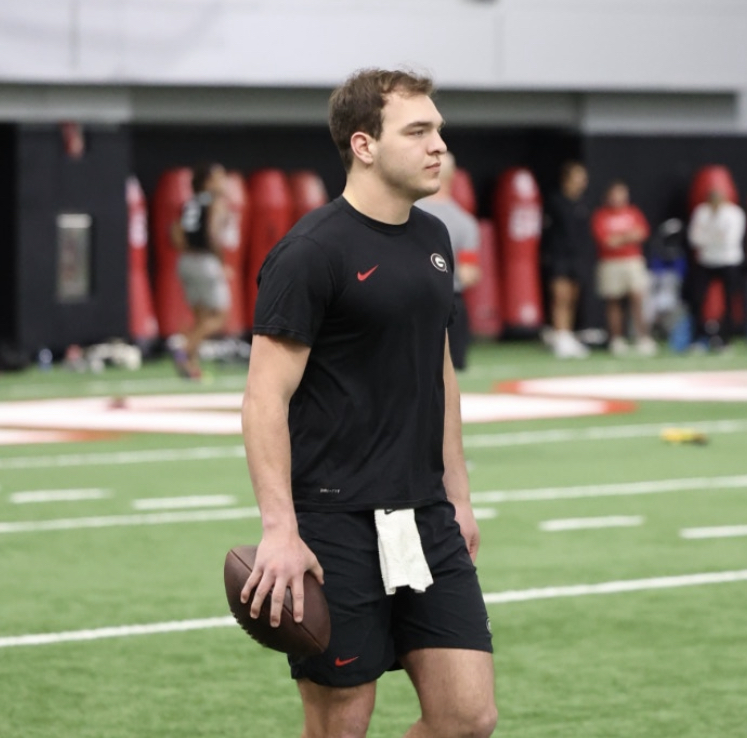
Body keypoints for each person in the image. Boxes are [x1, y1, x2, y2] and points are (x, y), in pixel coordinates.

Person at [239, 68, 497, 738]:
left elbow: (439, 375)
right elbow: (264, 399)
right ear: (364, 145)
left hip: (425, 515)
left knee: (467, 717)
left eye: (438, 128)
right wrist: (280, 530)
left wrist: (459, 496)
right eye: (418, 131)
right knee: (342, 723)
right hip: (334, 520)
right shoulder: (310, 253)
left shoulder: (434, 240)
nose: (439, 143)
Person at [416, 152, 481, 370]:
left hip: (412, 303)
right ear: (453, 176)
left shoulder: (407, 213)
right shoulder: (465, 222)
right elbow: (468, 275)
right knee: (453, 373)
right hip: (450, 303)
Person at [170, 162, 231, 380]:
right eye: (220, 177)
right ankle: (184, 350)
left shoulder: (190, 202)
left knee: (200, 317)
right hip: (205, 261)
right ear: (208, 181)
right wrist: (221, 263)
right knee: (220, 315)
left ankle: (191, 367)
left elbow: (175, 232)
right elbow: (214, 233)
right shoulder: (215, 202)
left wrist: (187, 251)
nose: (224, 182)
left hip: (186, 260)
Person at [592, 181, 656, 356]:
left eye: (622, 194)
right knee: (613, 301)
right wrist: (628, 237)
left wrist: (619, 239)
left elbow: (641, 233)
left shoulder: (633, 212)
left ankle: (643, 338)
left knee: (637, 298)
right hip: (610, 263)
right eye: (615, 194)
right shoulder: (601, 215)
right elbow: (606, 241)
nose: (618, 198)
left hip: (633, 260)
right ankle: (617, 340)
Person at [540, 161, 592, 358]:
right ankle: (559, 336)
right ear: (567, 179)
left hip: (577, 258)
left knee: (572, 298)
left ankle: (567, 335)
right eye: (579, 177)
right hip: (558, 256)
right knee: (560, 297)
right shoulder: (555, 202)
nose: (583, 181)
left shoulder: (583, 204)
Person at [687, 188, 746, 350]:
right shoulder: (701, 212)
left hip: (729, 260)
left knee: (729, 301)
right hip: (706, 261)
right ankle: (698, 338)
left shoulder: (735, 214)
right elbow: (694, 238)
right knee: (697, 298)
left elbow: (730, 240)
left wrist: (707, 237)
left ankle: (726, 339)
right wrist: (715, 237)